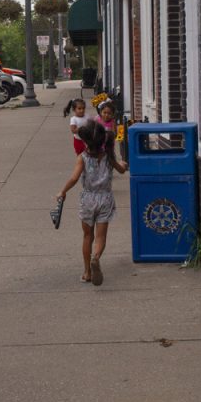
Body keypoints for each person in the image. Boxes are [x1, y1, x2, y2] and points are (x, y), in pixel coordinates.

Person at [56, 120, 127, 286]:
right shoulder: (109, 156)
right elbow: (122, 169)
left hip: (88, 200)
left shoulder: (83, 158)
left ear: (86, 141)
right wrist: (123, 163)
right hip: (105, 199)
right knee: (101, 237)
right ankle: (96, 258)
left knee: (88, 236)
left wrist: (63, 191)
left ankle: (87, 272)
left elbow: (74, 178)